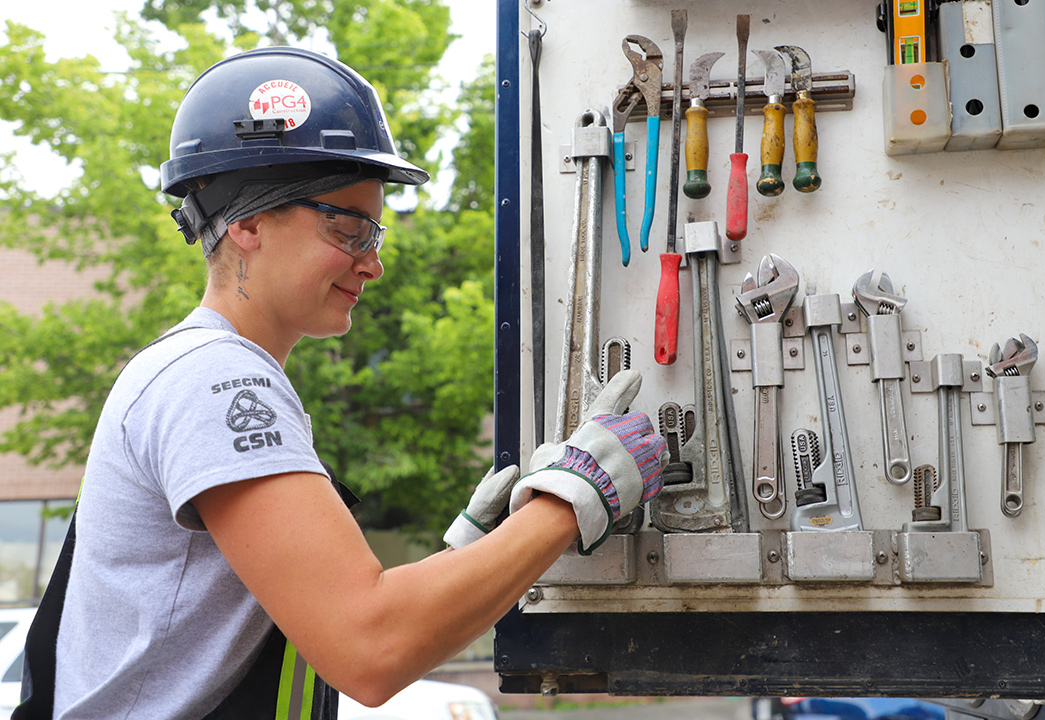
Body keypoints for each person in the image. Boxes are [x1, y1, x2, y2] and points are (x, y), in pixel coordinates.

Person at [16, 47, 668, 719]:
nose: (373, 263)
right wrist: (573, 496)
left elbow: (316, 623)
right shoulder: (216, 380)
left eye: (375, 232)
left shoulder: (197, 371)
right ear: (246, 221)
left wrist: (465, 556)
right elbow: (371, 647)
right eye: (350, 228)